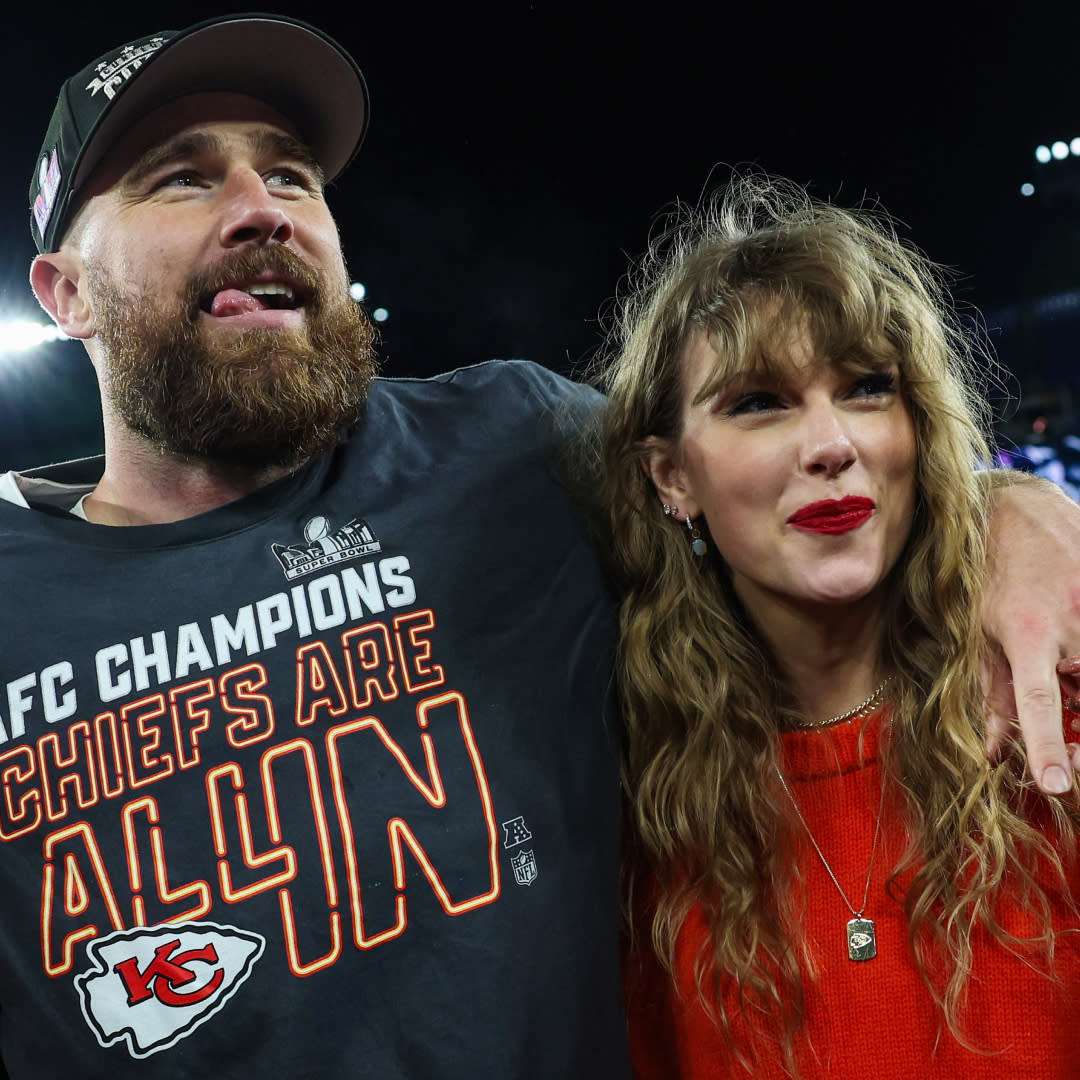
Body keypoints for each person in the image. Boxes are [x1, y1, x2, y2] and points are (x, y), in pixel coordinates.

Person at [6, 13, 1080, 1079]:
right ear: (65, 296)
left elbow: (762, 455)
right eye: (181, 178)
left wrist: (1008, 511)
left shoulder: (514, 444)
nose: (261, 209)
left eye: (292, 176)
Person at [601, 177, 1080, 1077]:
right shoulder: (635, 809)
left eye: (866, 388)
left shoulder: (1052, 712)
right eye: (758, 401)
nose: (831, 443)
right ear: (671, 479)